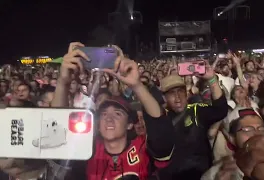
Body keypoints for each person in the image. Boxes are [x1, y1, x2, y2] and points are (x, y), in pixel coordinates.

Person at [51, 42, 175, 180]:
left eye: (117, 113)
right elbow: (56, 140)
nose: (109, 118)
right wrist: (63, 82)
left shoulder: (142, 149)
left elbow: (161, 131)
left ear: (129, 124)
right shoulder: (86, 152)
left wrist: (137, 85)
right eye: (103, 114)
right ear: (97, 123)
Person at [158, 62, 228, 179]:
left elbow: (220, 110)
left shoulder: (196, 110)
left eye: (180, 91)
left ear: (186, 93)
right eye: (172, 93)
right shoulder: (159, 119)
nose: (177, 98)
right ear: (164, 98)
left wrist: (212, 80)